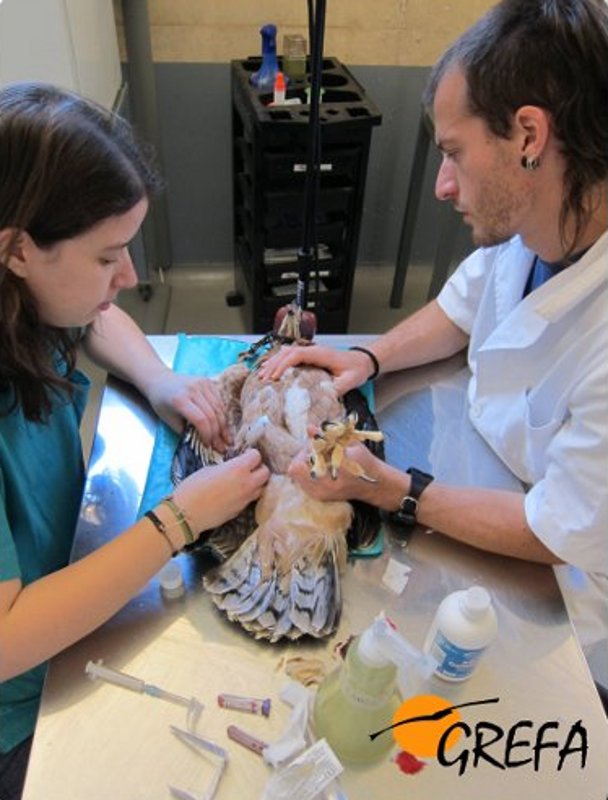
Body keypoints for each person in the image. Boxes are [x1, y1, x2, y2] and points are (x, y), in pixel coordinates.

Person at [258, 0, 608, 655]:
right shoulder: (545, 218)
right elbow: (466, 305)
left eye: (455, 153)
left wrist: (387, 488)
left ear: (529, 137)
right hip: (488, 483)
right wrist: (370, 355)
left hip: (563, 617)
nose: (443, 185)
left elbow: (555, 529)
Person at [0, 83, 269, 800]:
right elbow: (7, 640)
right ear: (19, 248)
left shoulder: (26, 293)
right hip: (20, 704)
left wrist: (160, 380)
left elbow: (91, 318)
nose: (131, 277)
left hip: (62, 580)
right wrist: (179, 519)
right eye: (108, 255)